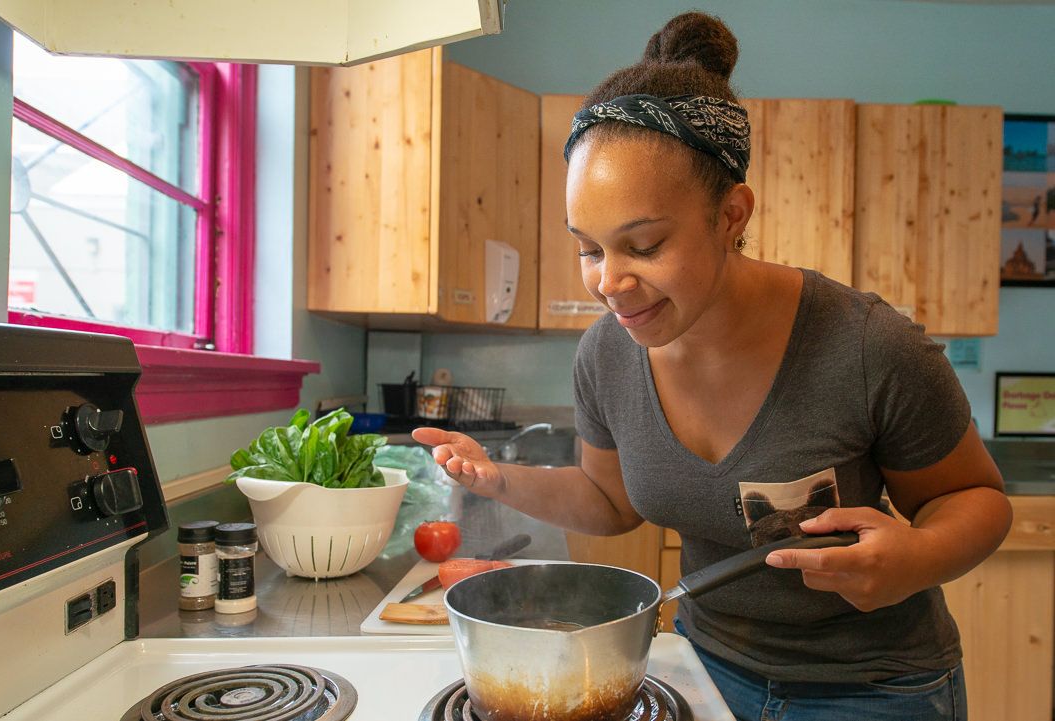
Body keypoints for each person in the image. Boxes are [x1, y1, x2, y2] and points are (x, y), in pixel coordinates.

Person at [413, 11, 1011, 721]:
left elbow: (979, 501)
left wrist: (913, 558)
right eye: (589, 248)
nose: (609, 281)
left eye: (643, 244)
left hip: (873, 688)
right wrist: (500, 478)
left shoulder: (866, 345)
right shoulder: (607, 353)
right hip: (702, 666)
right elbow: (610, 502)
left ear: (732, 214)